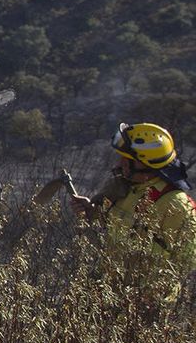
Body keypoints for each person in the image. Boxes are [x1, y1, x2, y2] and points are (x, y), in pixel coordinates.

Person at [70, 123, 196, 310]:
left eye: (126, 160)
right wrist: (92, 211)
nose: (119, 164)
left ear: (145, 164)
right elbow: (117, 226)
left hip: (147, 306)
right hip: (108, 293)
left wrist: (153, 294)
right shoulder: (126, 187)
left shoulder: (176, 204)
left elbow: (188, 260)